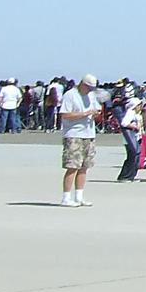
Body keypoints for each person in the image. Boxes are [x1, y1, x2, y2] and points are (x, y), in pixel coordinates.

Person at [58, 73, 101, 207]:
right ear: (82, 84)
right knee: (72, 166)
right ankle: (66, 197)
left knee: (84, 167)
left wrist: (95, 114)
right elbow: (65, 114)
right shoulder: (70, 95)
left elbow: (95, 110)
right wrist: (84, 113)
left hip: (88, 133)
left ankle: (79, 196)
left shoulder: (92, 96)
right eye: (88, 87)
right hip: (74, 134)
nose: (90, 91)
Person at [116, 95, 143, 182]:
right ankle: (125, 176)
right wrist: (135, 126)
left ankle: (131, 175)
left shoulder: (136, 114)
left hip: (135, 138)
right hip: (130, 139)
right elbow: (124, 123)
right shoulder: (130, 112)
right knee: (132, 157)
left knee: (135, 157)